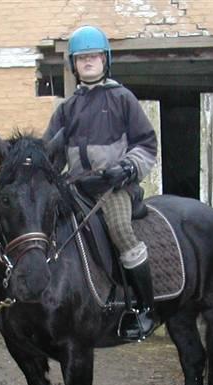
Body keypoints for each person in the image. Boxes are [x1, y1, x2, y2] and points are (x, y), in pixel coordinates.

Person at [44, 25, 158, 340]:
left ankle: (145, 308)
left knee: (121, 231)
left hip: (114, 186)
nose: (89, 62)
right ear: (74, 65)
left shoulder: (123, 98)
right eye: (82, 58)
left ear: (105, 59)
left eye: (94, 55)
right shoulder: (66, 109)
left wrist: (127, 168)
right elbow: (51, 154)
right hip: (76, 188)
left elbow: (146, 144)